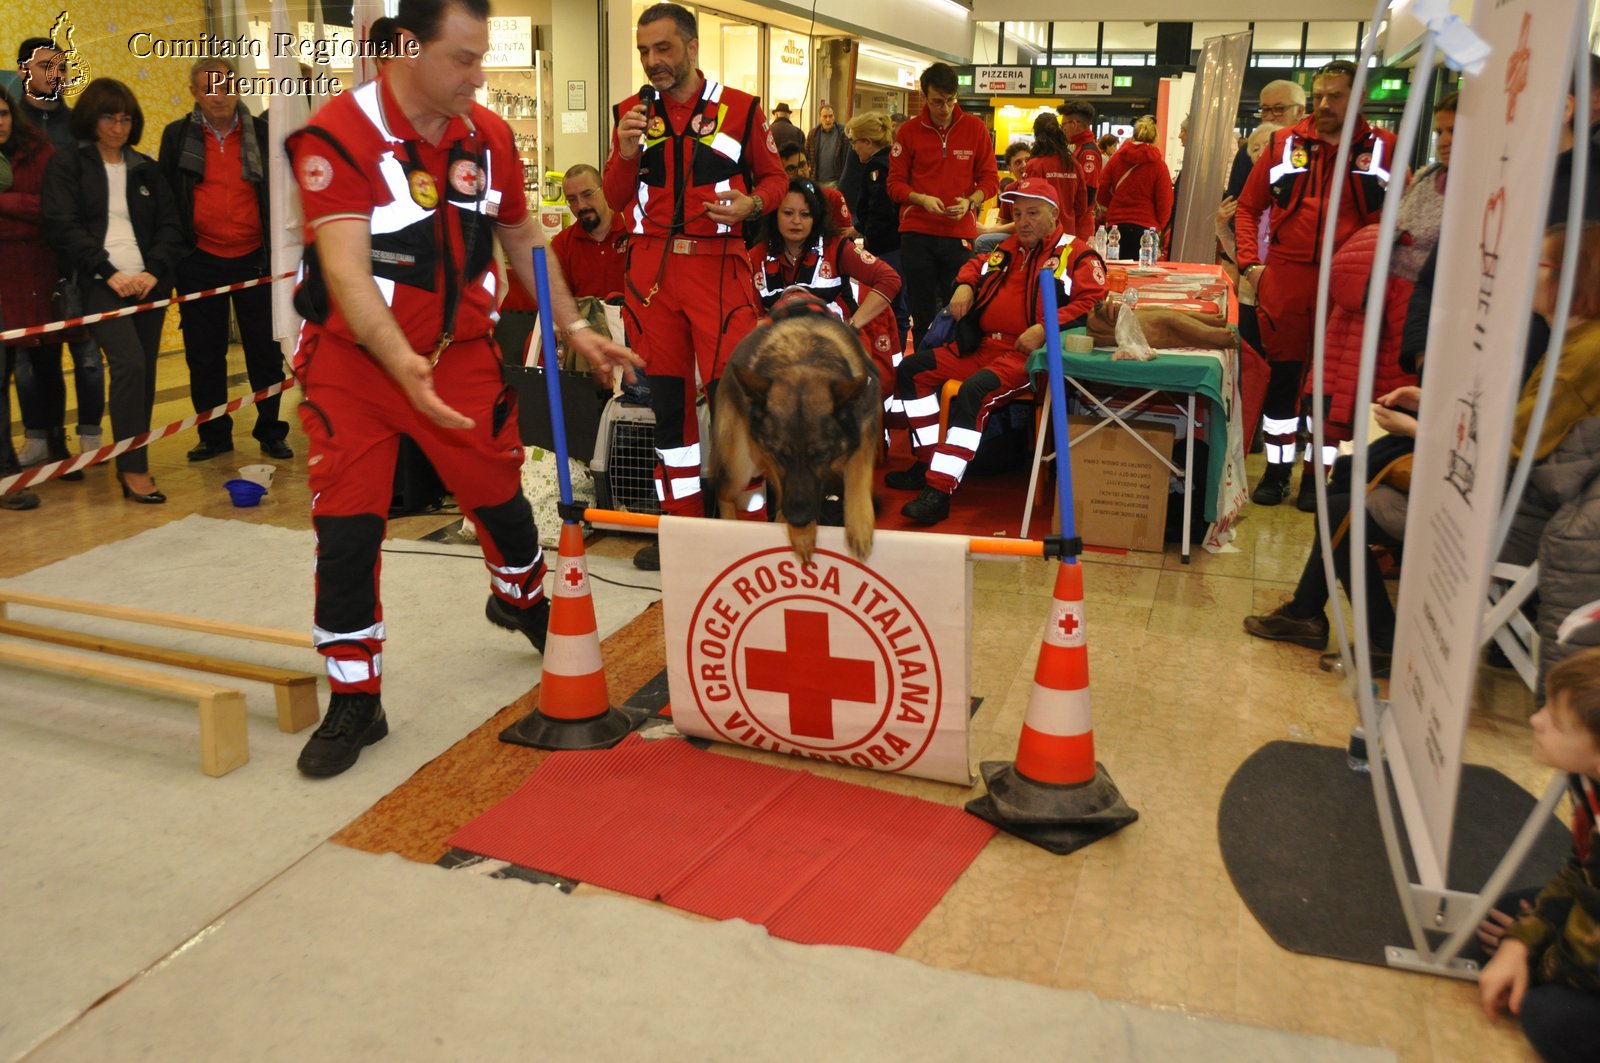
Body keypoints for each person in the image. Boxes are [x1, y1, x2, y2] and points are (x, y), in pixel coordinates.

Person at [284, 0, 638, 777]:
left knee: (502, 502)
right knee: (347, 535)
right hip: (354, 366)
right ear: (404, 49)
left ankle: (519, 599)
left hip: (460, 355)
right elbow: (342, 268)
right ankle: (356, 697)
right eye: (464, 59)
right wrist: (397, 357)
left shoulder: (488, 136)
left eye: (481, 58)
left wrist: (572, 325)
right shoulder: (337, 135)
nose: (480, 76)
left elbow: (523, 238)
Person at [602, 2, 786, 570]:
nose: (652, 61)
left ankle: (752, 529)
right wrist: (624, 153)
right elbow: (612, 200)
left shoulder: (742, 109)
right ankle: (680, 527)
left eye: (663, 49)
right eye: (643, 52)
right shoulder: (630, 112)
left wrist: (755, 203)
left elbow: (778, 178)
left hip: (718, 270)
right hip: (651, 277)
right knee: (670, 408)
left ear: (690, 46)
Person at [886, 178, 1107, 526]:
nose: (1023, 221)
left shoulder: (1075, 253)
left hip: (1027, 358)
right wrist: (963, 284)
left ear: (1053, 214)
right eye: (1017, 214)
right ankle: (930, 460)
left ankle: (939, 490)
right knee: (912, 370)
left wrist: (1046, 326)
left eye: (1033, 213)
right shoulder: (1008, 249)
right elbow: (976, 265)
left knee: (975, 389)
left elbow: (1093, 304)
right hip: (982, 346)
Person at [1235, 61, 1399, 507]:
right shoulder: (1284, 145)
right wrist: (1251, 265)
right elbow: (1247, 209)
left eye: (1337, 96)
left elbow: (1398, 223)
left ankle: (1316, 476)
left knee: (1332, 389)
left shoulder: (1385, 149)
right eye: (1320, 95)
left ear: (1360, 97)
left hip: (1348, 289)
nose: (1325, 104)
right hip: (1285, 282)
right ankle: (1275, 470)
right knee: (1283, 381)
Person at [1299, 94, 1454, 511]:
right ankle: (1325, 486)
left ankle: (1347, 496)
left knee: (1380, 405)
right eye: (1440, 131)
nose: (1443, 140)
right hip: (1371, 301)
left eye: (1454, 131)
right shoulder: (1426, 178)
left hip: (1418, 316)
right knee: (1357, 401)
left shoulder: (1387, 151)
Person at [42, 78, 183, 506]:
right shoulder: (69, 165)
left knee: (145, 376)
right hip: (100, 283)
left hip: (147, 283)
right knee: (129, 366)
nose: (118, 127)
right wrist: (106, 271)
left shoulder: (146, 167)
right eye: (109, 118)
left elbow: (172, 226)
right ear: (92, 118)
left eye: (125, 119)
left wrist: (154, 271)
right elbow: (61, 226)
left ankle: (132, 457)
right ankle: (134, 469)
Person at [159, 57, 293, 465]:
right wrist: (178, 255)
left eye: (225, 84)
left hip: (256, 258)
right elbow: (169, 198)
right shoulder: (177, 135)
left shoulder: (265, 134)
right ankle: (214, 435)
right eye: (209, 87)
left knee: (264, 352)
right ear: (195, 94)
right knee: (204, 354)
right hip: (200, 259)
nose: (219, 94)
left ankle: (271, 431)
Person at [1477, 647, 1600, 1063]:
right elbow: (1578, 872)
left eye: (1556, 721)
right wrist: (1519, 943)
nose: (1535, 720)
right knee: (1501, 916)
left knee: (1548, 1018)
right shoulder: (1588, 779)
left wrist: (1539, 958)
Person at [12, 36, 104, 472]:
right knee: (31, 359)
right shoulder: (11, 127)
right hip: (26, 262)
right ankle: (40, 437)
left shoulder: (78, 126)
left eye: (61, 65)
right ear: (23, 72)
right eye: (46, 65)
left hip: (76, 256)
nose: (56, 73)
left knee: (86, 356)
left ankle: (90, 435)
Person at [751, 177, 900, 395]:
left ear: (816, 218)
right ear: (774, 215)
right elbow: (748, 315)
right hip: (779, 353)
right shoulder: (755, 256)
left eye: (805, 214)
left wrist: (853, 325)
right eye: (788, 213)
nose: (796, 221)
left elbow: (890, 279)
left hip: (836, 348)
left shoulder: (837, 248)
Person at [887, 62, 998, 349]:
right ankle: (925, 369)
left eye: (950, 100)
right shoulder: (909, 132)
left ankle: (955, 363)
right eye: (937, 101)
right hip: (918, 233)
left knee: (959, 306)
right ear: (924, 97)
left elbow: (990, 179)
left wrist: (971, 201)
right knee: (922, 311)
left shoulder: (974, 128)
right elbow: (895, 185)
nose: (944, 108)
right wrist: (920, 198)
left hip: (958, 233)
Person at [0, 91, 49, 510]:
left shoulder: (35, 146)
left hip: (23, 281)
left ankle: (6, 474)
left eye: (1, 113)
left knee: (8, 378)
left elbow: (47, 207)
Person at [503, 163, 628, 308]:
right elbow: (558, 303)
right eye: (572, 199)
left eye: (587, 194)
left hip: (632, 325)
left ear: (604, 190)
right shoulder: (562, 244)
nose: (581, 206)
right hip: (586, 326)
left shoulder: (633, 233)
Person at [846, 109, 910, 350]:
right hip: (896, 246)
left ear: (867, 142)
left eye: (855, 142)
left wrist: (865, 236)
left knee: (889, 307)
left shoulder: (877, 169)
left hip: (886, 249)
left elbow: (880, 211)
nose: (854, 148)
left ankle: (892, 358)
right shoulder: (892, 162)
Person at [1098, 114, 1173, 256]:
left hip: (1116, 227)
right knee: (1143, 275)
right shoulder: (1159, 165)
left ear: (1133, 136)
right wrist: (1159, 224)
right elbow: (1165, 201)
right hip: (1146, 229)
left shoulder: (1116, 160)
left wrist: (1115, 205)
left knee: (1115, 273)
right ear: (1155, 138)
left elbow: (1101, 191)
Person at [1225, 80, 1307, 200]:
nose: (1269, 116)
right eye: (1265, 109)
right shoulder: (1249, 151)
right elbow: (1235, 203)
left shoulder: (1310, 149)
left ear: (1299, 111)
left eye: (1279, 109)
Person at [1022, 112, 1091, 241]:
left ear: (1036, 135)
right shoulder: (1074, 164)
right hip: (1068, 235)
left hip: (1040, 236)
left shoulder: (1035, 165)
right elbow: (1082, 206)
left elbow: (1026, 205)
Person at [779, 142, 851, 233]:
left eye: (802, 165)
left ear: (809, 166)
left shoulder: (832, 197)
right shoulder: (777, 202)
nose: (799, 173)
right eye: (791, 169)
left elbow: (846, 237)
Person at [975, 140, 1031, 254]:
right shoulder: (1009, 189)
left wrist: (987, 230)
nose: (1024, 165)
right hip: (1015, 237)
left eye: (1027, 160)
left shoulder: (1037, 187)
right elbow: (1003, 222)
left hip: (1032, 236)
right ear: (1010, 168)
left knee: (982, 241)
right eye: (1018, 162)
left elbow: (1025, 222)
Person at [1056, 99, 1103, 214]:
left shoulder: (1088, 153)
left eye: (1063, 125)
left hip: (1080, 222)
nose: (1063, 130)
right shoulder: (1078, 147)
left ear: (1075, 124)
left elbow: (1088, 193)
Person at [805, 103, 847, 187]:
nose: (828, 119)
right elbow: (807, 155)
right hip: (817, 181)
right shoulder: (813, 134)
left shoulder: (842, 134)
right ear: (820, 118)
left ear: (834, 117)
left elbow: (846, 158)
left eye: (830, 116)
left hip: (836, 181)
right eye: (825, 117)